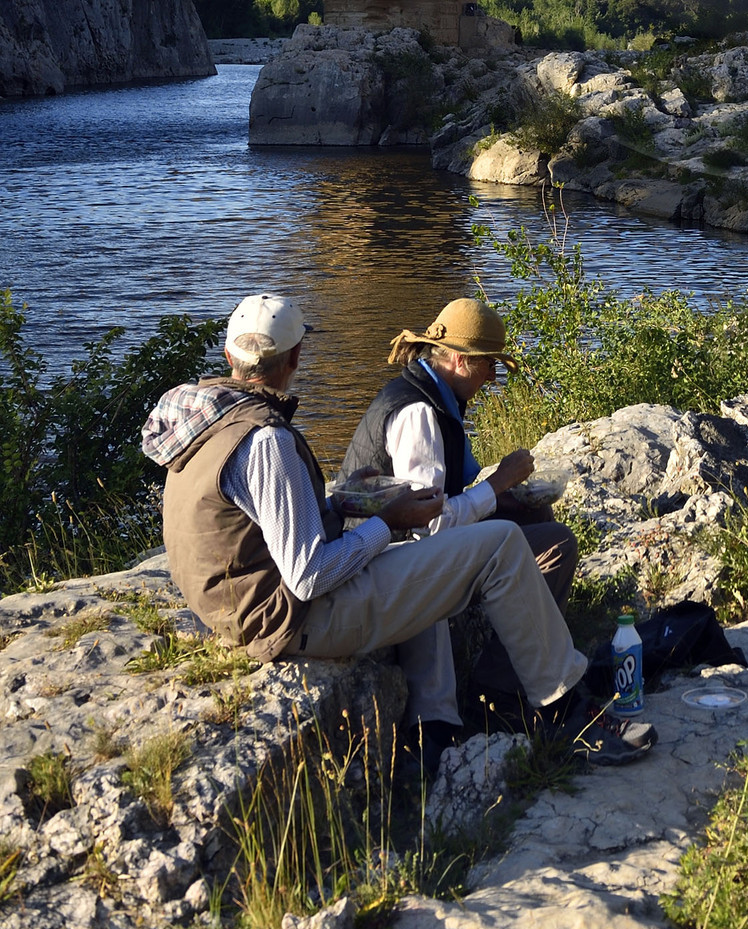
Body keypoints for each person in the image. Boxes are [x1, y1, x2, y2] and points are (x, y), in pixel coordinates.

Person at [142, 291, 652, 774]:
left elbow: (264, 525)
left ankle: (437, 734)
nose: (493, 373)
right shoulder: (268, 440)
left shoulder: (209, 420)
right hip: (287, 620)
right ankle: (567, 716)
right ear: (296, 356)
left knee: (420, 564)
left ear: (230, 353)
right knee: (498, 544)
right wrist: (387, 523)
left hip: (239, 611)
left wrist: (340, 503)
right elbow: (307, 577)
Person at [339, 298, 578, 612]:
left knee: (533, 515)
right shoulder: (419, 413)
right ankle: (507, 659)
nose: (492, 377)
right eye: (489, 363)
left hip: (404, 546)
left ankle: (508, 623)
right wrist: (496, 484)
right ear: (457, 359)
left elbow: (437, 505)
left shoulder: (435, 396)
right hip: (384, 562)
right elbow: (428, 526)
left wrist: (505, 495)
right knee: (557, 543)